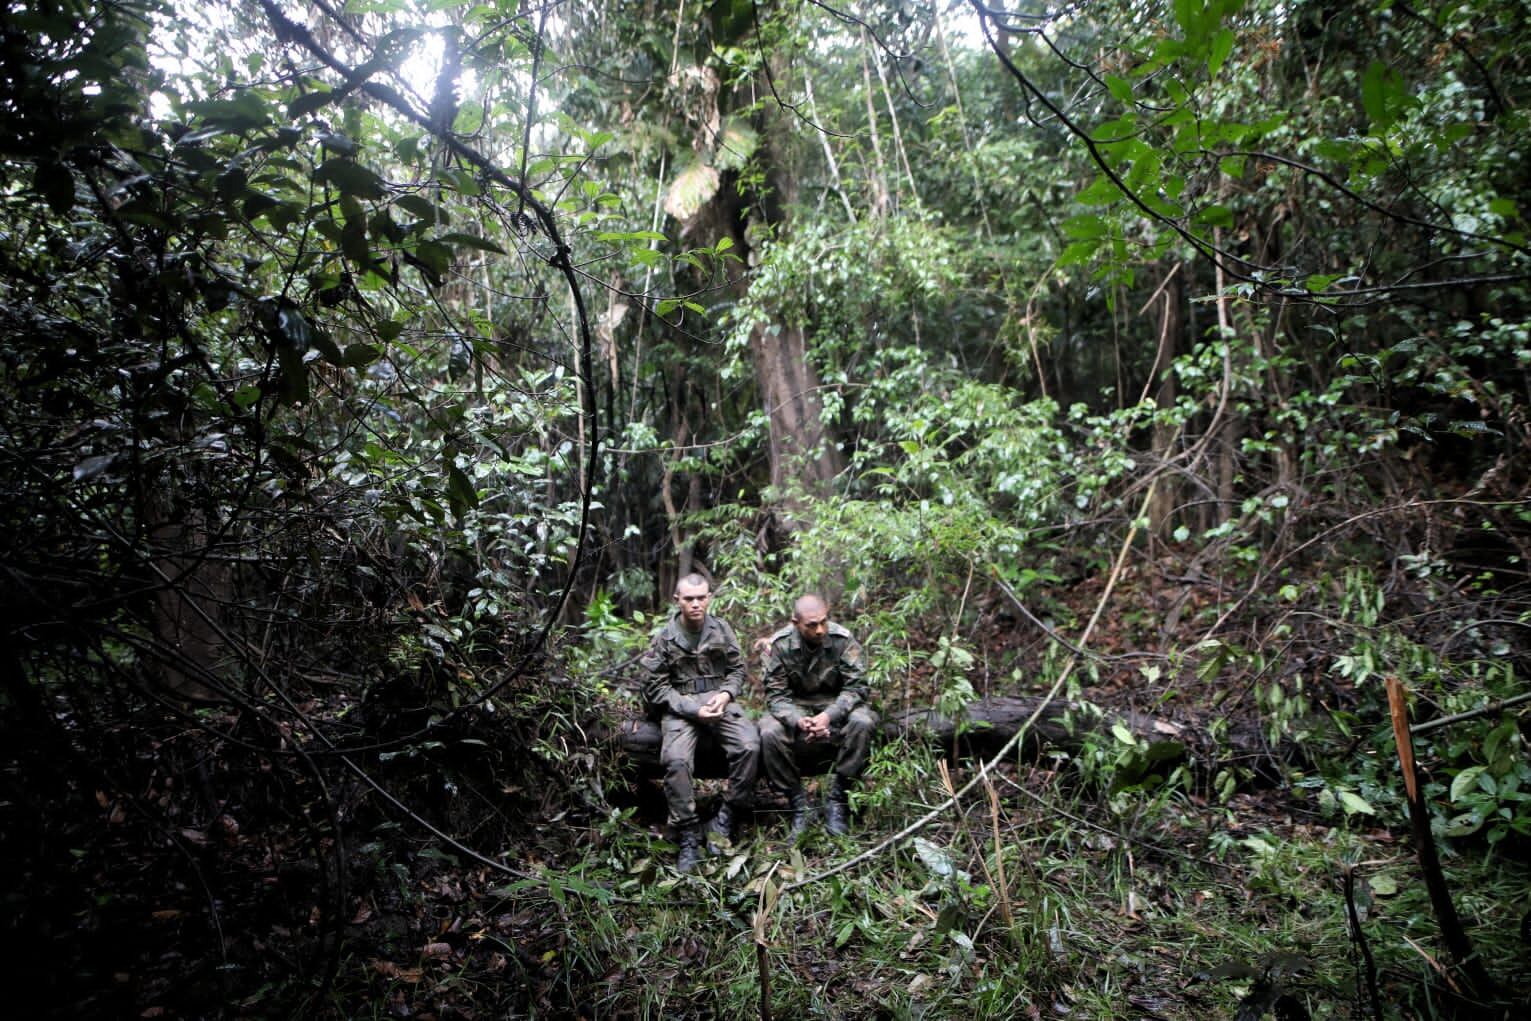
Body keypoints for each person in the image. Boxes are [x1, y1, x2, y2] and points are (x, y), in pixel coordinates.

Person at [639, 572, 759, 872]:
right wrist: (693, 709)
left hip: (718, 703)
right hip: (681, 708)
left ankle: (726, 816)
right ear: (677, 600)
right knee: (676, 759)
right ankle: (689, 832)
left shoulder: (721, 629)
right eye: (689, 599)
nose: (695, 604)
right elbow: (655, 688)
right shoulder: (664, 638)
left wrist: (727, 694)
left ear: (709, 598)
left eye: (701, 597)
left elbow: (736, 670)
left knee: (750, 745)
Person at [758, 594, 877, 837]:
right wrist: (799, 721)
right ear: (795, 623)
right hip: (796, 707)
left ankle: (839, 799)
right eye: (811, 625)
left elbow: (858, 687)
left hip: (837, 705)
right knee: (769, 732)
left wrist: (829, 716)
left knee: (863, 722)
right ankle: (798, 803)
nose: (820, 630)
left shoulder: (842, 639)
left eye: (823, 621)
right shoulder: (778, 645)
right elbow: (776, 697)